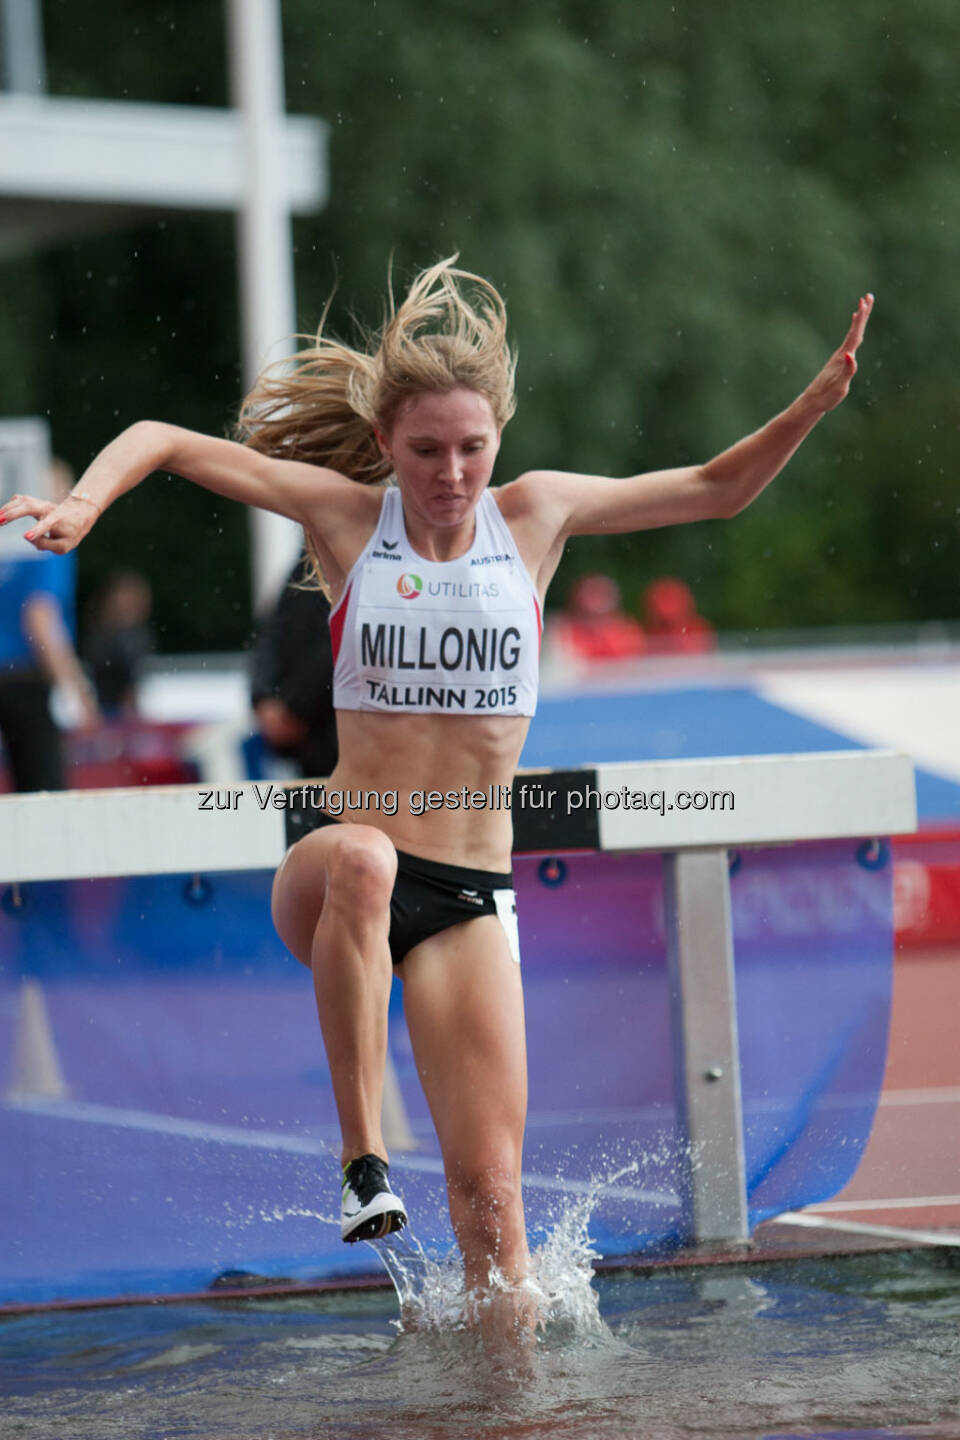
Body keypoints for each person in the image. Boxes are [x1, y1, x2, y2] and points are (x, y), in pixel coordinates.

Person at [0, 261, 873, 1346]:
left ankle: (495, 1395)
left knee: (494, 1216)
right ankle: (362, 1161)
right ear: (385, 443)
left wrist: (811, 403)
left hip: (468, 892)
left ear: (498, 436)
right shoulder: (346, 520)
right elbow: (167, 440)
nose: (452, 475)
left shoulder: (539, 517)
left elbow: (716, 487)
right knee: (366, 858)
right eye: (425, 452)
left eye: (471, 449)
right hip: (336, 873)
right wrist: (84, 504)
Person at [0, 460, 100, 791]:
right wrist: (74, 686)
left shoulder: (7, 541)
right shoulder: (49, 541)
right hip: (26, 677)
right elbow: (40, 617)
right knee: (42, 792)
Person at [249, 554, 338, 778]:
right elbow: (272, 630)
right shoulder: (307, 563)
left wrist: (292, 709)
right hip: (308, 749)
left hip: (339, 740)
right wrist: (265, 697)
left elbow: (342, 643)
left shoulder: (366, 558)